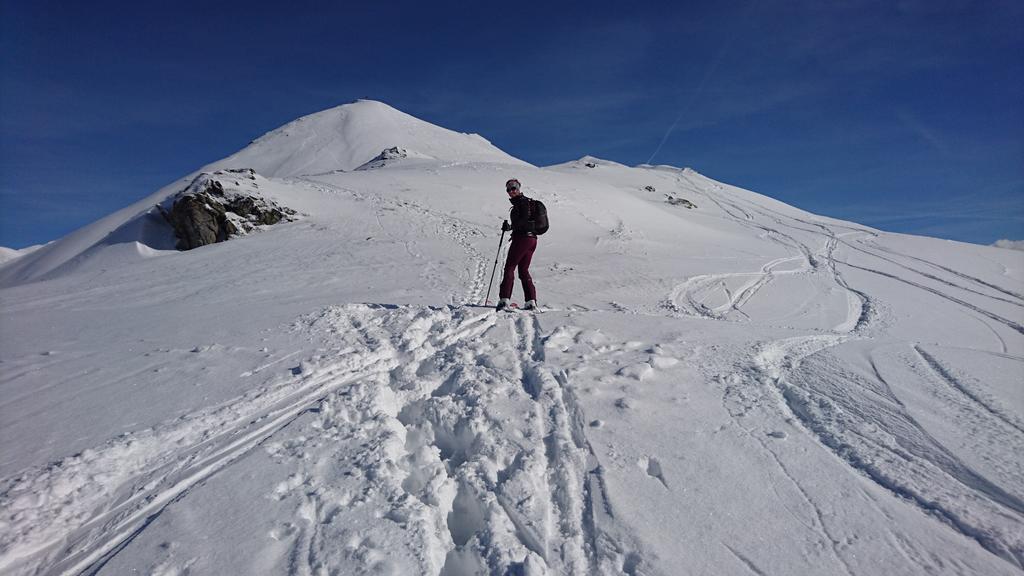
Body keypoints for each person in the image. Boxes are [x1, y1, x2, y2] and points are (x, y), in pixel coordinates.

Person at [497, 178, 542, 311]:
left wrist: (511, 227)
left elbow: (523, 221)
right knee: (523, 270)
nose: (511, 191)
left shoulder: (521, 203)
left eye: (513, 188)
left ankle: (504, 301)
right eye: (508, 189)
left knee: (509, 267)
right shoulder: (525, 203)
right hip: (532, 240)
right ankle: (531, 302)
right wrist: (510, 227)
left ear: (519, 188)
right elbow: (524, 221)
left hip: (522, 239)